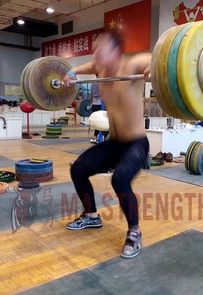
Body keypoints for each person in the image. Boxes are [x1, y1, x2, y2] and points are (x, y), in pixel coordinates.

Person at [63, 31, 151, 259]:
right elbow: (88, 65)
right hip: (114, 143)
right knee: (78, 169)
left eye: (100, 49)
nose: (96, 54)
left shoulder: (132, 64)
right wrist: (71, 72)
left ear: (116, 52)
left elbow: (153, 60)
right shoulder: (100, 68)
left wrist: (155, 69)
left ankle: (134, 232)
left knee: (120, 179)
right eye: (95, 49)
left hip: (136, 144)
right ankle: (91, 216)